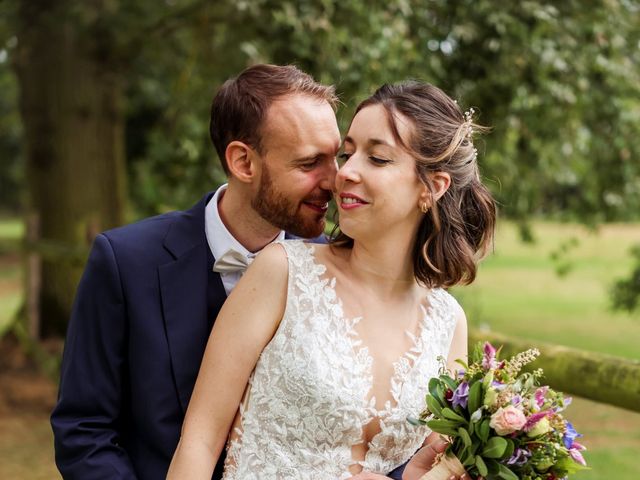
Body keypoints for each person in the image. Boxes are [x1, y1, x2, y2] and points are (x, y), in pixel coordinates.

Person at [167, 81, 497, 479]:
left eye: (377, 158)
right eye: (348, 152)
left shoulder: (447, 323)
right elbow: (200, 440)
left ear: (432, 188)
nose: (345, 173)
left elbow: (431, 464)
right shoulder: (283, 272)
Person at [50, 64, 342, 480]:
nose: (335, 181)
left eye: (337, 157)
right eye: (310, 162)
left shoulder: (335, 269)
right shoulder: (123, 262)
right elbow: (84, 429)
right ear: (243, 162)